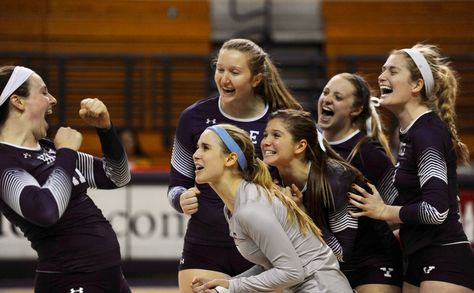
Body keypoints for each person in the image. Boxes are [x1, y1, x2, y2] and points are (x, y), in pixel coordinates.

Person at [167, 38, 302, 292]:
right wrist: (180, 198)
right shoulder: (193, 117)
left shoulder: (282, 120)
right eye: (220, 69)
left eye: (235, 72)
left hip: (263, 249)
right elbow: (176, 185)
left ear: (256, 79)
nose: (224, 78)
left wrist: (293, 198)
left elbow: (304, 181)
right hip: (205, 244)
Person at [348, 44, 474, 292]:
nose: (382, 76)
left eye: (393, 71)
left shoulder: (427, 133)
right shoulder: (411, 132)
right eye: (383, 70)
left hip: (444, 256)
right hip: (418, 256)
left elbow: (436, 210)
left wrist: (384, 211)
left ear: (416, 85)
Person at [0, 65, 132, 293]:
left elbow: (118, 177)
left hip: (110, 277)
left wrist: (106, 130)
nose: (52, 100)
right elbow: (46, 212)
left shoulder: (50, 149)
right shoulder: (5, 161)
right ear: (17, 101)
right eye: (43, 92)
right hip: (69, 281)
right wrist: (67, 153)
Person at [190, 124, 352, 292]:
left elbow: (292, 272)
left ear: (230, 159)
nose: (195, 155)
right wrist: (224, 285)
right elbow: (271, 265)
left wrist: (231, 287)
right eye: (197, 148)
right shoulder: (236, 205)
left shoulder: (251, 209)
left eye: (205, 148)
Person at [261, 108, 402, 292]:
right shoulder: (268, 179)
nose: (266, 142)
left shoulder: (338, 180)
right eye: (265, 135)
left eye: (276, 135)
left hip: (370, 262)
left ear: (300, 146)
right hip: (321, 266)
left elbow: (341, 254)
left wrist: (301, 213)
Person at [316, 73, 403, 291]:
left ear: (355, 110)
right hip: (329, 260)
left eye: (338, 97)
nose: (327, 99)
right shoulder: (309, 146)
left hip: (373, 260)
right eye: (326, 92)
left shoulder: (368, 153)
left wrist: (379, 212)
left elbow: (401, 209)